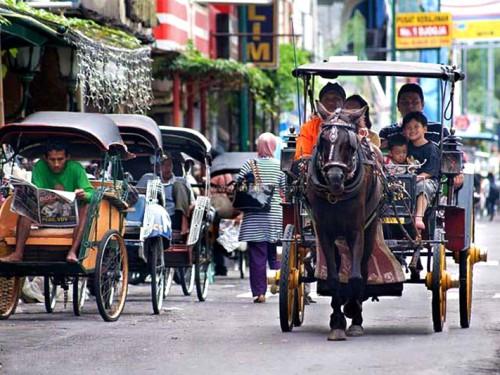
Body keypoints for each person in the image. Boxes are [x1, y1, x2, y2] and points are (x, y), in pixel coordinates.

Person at [0, 140, 94, 263]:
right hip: (45, 215)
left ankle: (72, 252)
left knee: (86, 206)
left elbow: (92, 194)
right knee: (26, 206)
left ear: (68, 157)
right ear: (45, 158)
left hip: (71, 218)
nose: (56, 164)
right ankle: (18, 253)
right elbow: (36, 193)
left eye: (60, 159)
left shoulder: (76, 168)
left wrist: (83, 194)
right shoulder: (39, 167)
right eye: (52, 159)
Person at [237, 133, 285, 303]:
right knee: (277, 254)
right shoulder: (279, 166)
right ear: (273, 146)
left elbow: (238, 185)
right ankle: (280, 285)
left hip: (254, 218)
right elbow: (285, 190)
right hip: (275, 217)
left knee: (258, 257)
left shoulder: (249, 165)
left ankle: (260, 293)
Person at [401, 112, 440, 233]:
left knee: (422, 185)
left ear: (425, 129)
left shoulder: (432, 148)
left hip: (427, 181)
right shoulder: (405, 148)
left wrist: (414, 179)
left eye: (416, 127)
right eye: (408, 128)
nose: (412, 130)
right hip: (406, 182)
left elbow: (430, 171)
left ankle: (419, 217)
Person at [379, 83, 449, 150]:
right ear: (398, 106)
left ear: (422, 105)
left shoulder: (439, 130)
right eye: (405, 103)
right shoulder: (386, 132)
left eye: (415, 102)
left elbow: (451, 159)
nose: (410, 106)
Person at [137, 154, 192, 235]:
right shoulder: (147, 178)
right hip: (150, 215)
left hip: (174, 216)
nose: (167, 168)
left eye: (169, 165)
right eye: (163, 165)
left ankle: (184, 225)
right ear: (154, 167)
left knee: (179, 185)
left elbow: (192, 203)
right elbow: (137, 197)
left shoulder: (181, 181)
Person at [295, 82, 346, 159]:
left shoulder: (350, 126)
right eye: (327, 99)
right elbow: (303, 157)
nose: (331, 102)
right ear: (320, 104)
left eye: (336, 99)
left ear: (343, 103)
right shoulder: (309, 127)